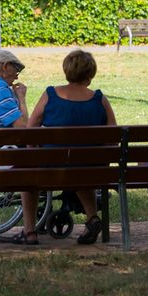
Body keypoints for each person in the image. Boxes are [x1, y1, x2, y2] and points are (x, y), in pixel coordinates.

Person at [12, 49, 117, 246]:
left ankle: (29, 231)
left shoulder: (50, 95)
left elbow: (30, 130)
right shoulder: (100, 99)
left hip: (51, 168)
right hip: (90, 169)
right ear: (91, 74)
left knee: (28, 175)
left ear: (66, 71)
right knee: (78, 167)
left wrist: (34, 153)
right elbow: (113, 138)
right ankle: (92, 218)